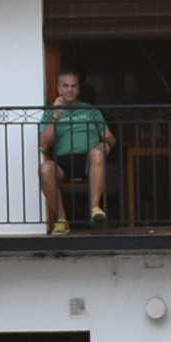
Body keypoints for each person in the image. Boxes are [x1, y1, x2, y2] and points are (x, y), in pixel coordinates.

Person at [36, 69, 113, 233]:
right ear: (59, 88)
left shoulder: (91, 110)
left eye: (73, 86)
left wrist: (105, 144)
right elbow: (43, 144)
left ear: (78, 89)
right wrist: (55, 117)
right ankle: (62, 220)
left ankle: (94, 211)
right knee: (45, 169)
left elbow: (110, 138)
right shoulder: (50, 112)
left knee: (97, 153)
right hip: (62, 163)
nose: (69, 89)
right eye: (65, 86)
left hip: (89, 161)